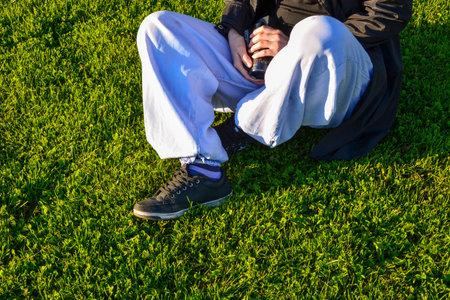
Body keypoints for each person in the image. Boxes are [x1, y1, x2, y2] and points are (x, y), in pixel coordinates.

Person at [133, 0, 412, 220]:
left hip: (332, 70)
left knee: (319, 30)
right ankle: (202, 167)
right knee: (159, 27)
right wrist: (233, 32)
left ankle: (241, 129)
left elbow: (390, 11)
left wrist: (291, 46)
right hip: (261, 59)